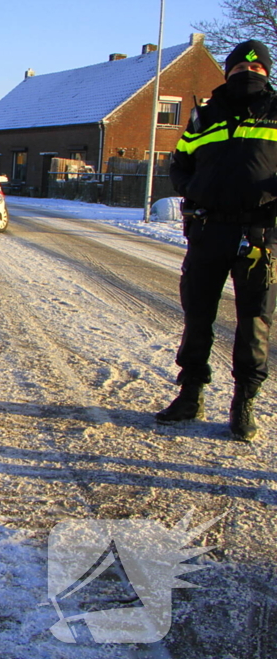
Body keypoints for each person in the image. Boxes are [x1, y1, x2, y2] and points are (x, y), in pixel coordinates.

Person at [158, 40, 277, 441]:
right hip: (209, 230)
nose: (248, 74)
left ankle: (244, 402)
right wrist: (195, 191)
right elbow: (180, 164)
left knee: (254, 321)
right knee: (197, 315)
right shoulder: (203, 117)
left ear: (267, 73)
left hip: (261, 235)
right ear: (227, 72)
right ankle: (190, 393)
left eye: (256, 69)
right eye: (241, 68)